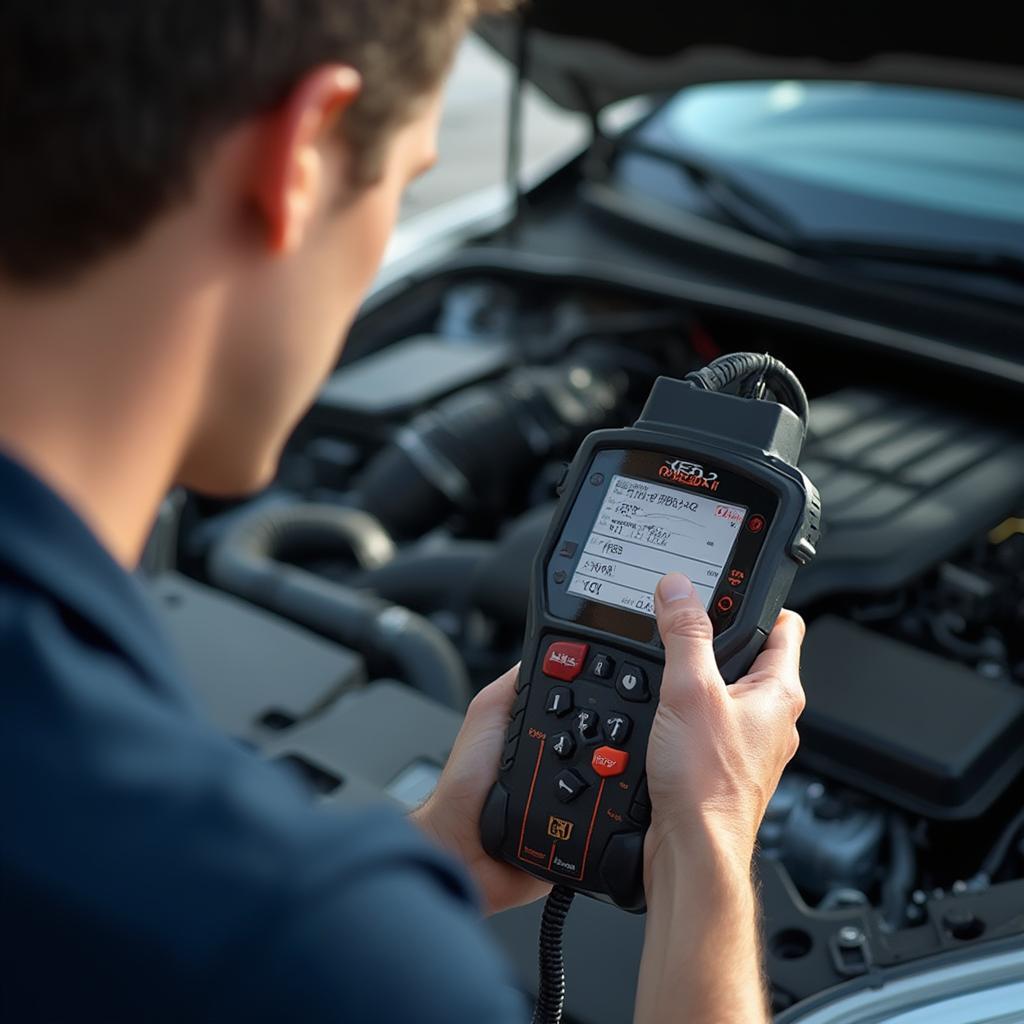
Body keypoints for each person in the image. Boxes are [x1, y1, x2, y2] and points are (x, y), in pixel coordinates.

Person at [0, 3, 806, 1022]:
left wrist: (433, 865)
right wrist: (707, 842)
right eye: (408, 176)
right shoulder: (298, 941)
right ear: (302, 153)